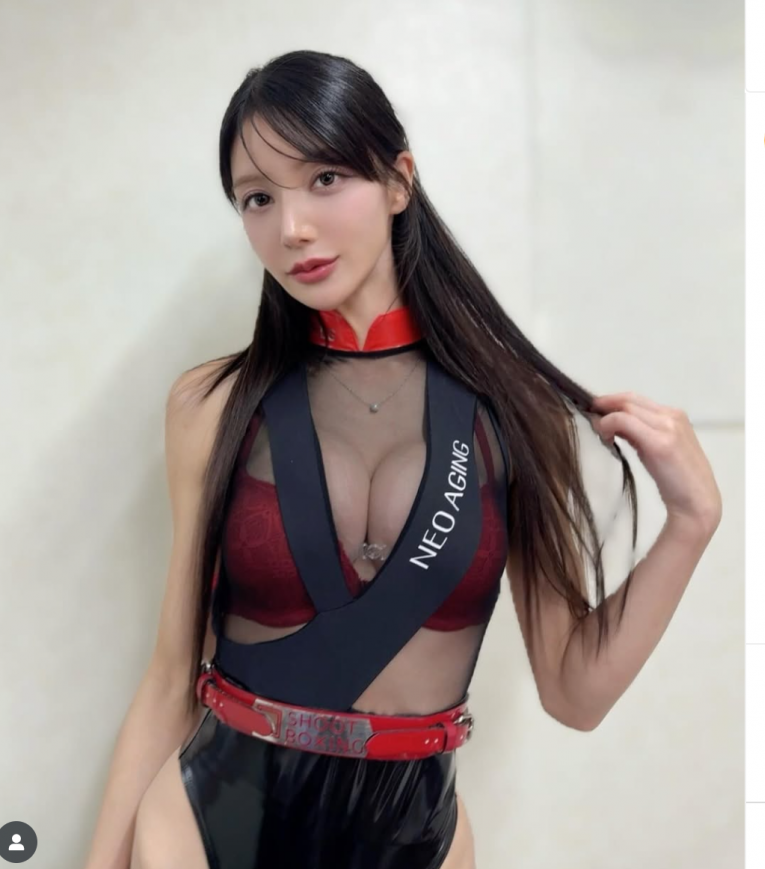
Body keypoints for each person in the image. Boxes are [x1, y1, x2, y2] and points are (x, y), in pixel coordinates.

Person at [82, 50, 722, 869]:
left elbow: (575, 693)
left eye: (325, 179)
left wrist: (693, 522)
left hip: (416, 837)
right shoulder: (211, 405)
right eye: (258, 198)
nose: (291, 227)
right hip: (204, 825)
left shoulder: (514, 413)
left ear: (398, 181)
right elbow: (172, 675)